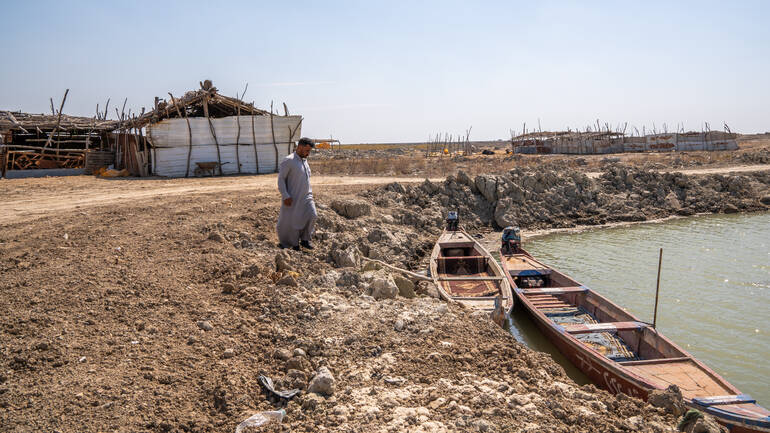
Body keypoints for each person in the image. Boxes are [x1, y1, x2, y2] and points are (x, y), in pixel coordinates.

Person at [276, 137, 317, 250]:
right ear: (299, 147)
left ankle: (305, 240)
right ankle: (293, 244)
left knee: (312, 215)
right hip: (293, 197)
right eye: (307, 151)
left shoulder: (305, 160)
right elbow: (281, 179)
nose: (308, 154)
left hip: (307, 197)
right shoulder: (289, 160)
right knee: (292, 222)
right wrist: (285, 195)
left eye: (309, 151)